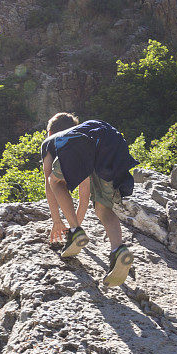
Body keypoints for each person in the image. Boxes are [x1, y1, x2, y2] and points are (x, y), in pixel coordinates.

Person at [40, 113, 138, 287]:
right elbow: (84, 196)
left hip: (94, 142)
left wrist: (60, 222)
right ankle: (118, 249)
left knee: (54, 180)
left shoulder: (53, 141)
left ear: (49, 132)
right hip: (113, 142)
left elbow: (50, 184)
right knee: (102, 208)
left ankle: (75, 232)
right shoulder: (85, 133)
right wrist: (76, 229)